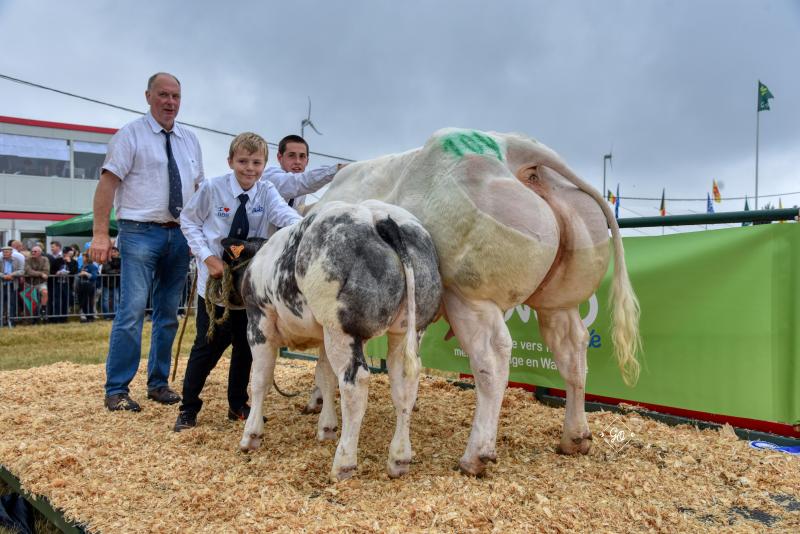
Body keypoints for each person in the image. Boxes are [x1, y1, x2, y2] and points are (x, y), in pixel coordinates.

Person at [91, 72, 204, 412]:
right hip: (139, 231)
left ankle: (158, 383)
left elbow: (199, 191)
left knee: (168, 313)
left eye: (176, 97)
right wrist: (100, 233)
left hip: (179, 232)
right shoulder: (130, 135)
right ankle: (117, 389)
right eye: (163, 95)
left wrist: (203, 237)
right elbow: (107, 185)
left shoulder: (190, 139)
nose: (170, 102)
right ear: (148, 96)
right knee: (132, 311)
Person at [174, 132, 301, 431]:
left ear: (265, 164)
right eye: (243, 161)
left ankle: (237, 404)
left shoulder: (266, 191)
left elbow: (284, 215)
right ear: (230, 161)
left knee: (247, 345)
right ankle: (188, 407)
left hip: (249, 283)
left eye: (256, 162)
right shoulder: (212, 188)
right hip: (216, 283)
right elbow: (188, 220)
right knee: (209, 345)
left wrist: (307, 224)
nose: (249, 168)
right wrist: (207, 257)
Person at [262, 134, 345, 232]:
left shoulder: (301, 192)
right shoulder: (271, 177)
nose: (297, 161)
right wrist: (337, 169)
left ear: (307, 161)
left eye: (302, 156)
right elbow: (297, 182)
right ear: (279, 157)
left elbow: (298, 212)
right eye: (291, 155)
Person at [1, 245, 24, 326]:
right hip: (2, 285)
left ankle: (11, 322)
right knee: (2, 303)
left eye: (6, 252)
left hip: (12, 285)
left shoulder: (16, 260)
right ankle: (2, 321)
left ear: (11, 253)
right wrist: (3, 276)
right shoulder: (0, 261)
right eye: (3, 252)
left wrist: (12, 275)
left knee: (12, 304)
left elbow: (21, 271)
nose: (4, 253)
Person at [76, 251, 99, 322]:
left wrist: (86, 273)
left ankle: (90, 317)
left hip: (89, 286)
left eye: (84, 257)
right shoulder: (82, 266)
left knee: (89, 302)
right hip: (81, 285)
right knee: (82, 301)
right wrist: (80, 274)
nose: (82, 258)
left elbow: (94, 276)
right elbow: (78, 273)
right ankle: (84, 316)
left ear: (87, 258)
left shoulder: (92, 266)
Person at [100, 246, 121, 319]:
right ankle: (106, 316)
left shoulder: (121, 260)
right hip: (106, 283)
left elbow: (123, 270)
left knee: (116, 299)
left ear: (118, 253)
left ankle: (116, 315)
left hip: (116, 283)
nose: (113, 253)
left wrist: (115, 271)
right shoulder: (106, 260)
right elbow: (107, 270)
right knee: (105, 299)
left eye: (115, 251)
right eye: (112, 251)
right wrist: (117, 271)